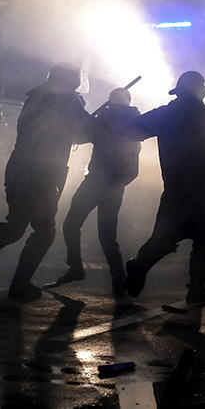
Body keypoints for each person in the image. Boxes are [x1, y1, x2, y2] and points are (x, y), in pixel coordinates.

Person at [0, 63, 94, 302]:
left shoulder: (37, 97)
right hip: (42, 174)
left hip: (20, 168)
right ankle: (18, 284)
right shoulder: (67, 101)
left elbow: (66, 132)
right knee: (44, 231)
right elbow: (87, 131)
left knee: (16, 224)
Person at [124, 71, 205, 306]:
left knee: (164, 239)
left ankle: (140, 266)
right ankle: (196, 288)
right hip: (203, 191)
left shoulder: (167, 114)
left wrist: (121, 113)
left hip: (175, 190)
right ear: (201, 91)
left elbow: (134, 128)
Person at [56, 87, 141, 298]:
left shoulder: (108, 117)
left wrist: (92, 116)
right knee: (107, 236)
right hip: (114, 184)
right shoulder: (134, 120)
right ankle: (118, 283)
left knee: (71, 225)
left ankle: (76, 267)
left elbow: (83, 134)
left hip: (97, 181)